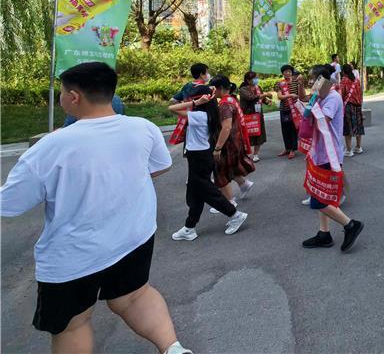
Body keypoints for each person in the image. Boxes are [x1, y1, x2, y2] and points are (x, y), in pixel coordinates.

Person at [0, 62, 190, 354]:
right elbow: (159, 166)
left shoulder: (51, 146)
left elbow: (10, 203)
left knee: (73, 323)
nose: (61, 98)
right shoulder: (143, 128)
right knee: (135, 296)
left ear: (74, 97)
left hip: (75, 253)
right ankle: (174, 349)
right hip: (134, 237)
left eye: (62, 92)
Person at [169, 86, 249, 240]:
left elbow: (172, 108)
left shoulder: (200, 115)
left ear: (202, 100)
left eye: (194, 98)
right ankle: (189, 227)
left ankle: (235, 214)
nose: (190, 101)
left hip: (199, 156)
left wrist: (195, 103)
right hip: (199, 155)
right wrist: (197, 102)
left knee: (206, 191)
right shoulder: (209, 113)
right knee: (195, 192)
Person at [301, 65, 365, 251]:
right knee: (320, 194)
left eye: (314, 79)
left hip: (329, 155)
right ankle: (324, 233)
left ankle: (350, 225)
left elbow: (322, 120)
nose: (311, 83)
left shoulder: (333, 97)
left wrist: (307, 108)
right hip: (319, 153)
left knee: (319, 200)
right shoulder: (321, 96)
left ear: (323, 80)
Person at [208, 76, 256, 210]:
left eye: (212, 88)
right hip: (235, 141)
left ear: (219, 88)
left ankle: (229, 202)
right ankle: (244, 184)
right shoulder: (231, 99)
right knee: (230, 167)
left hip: (227, 144)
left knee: (220, 172)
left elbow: (226, 127)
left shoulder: (224, 104)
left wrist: (217, 148)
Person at [239, 71, 272, 163]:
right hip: (248, 115)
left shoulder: (258, 88)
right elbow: (251, 98)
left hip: (258, 115)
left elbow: (261, 98)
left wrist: (267, 101)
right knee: (247, 134)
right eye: (254, 78)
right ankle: (247, 154)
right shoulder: (243, 89)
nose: (256, 80)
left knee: (258, 134)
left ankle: (255, 154)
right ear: (248, 80)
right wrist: (264, 95)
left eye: (256, 77)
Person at [276, 64, 306, 159]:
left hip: (294, 109)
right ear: (283, 73)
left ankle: (293, 149)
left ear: (292, 73)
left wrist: (301, 85)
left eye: (289, 71)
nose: (287, 73)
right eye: (285, 72)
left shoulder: (296, 82)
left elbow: (302, 95)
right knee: (285, 129)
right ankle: (287, 148)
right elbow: (279, 96)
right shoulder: (279, 83)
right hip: (284, 109)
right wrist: (290, 96)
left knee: (293, 129)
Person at [340, 64, 365, 157]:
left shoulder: (344, 81)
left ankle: (349, 150)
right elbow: (360, 93)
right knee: (358, 126)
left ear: (343, 72)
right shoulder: (357, 80)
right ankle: (358, 147)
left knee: (348, 127)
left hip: (348, 107)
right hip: (358, 106)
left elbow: (341, 95)